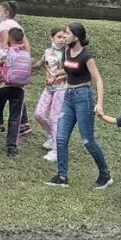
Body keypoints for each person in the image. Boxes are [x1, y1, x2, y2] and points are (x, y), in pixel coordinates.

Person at [45, 22, 111, 189]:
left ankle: (105, 175)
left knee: (88, 140)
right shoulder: (67, 52)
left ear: (76, 37)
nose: (64, 36)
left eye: (67, 33)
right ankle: (62, 176)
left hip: (83, 97)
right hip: (68, 97)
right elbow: (69, 70)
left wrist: (100, 103)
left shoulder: (86, 57)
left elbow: (98, 79)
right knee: (60, 138)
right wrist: (56, 74)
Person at [0, 27, 31, 156]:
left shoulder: (4, 52)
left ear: (9, 38)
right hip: (19, 88)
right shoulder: (26, 54)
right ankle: (11, 147)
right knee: (15, 116)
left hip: (3, 85)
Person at [0, 0, 32, 138]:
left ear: (6, 13)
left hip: (5, 66)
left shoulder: (5, 25)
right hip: (18, 66)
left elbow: (6, 47)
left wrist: (0, 64)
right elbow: (26, 46)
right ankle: (22, 124)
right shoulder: (17, 26)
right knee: (16, 95)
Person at [34, 27, 67, 163]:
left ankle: (55, 150)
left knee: (54, 118)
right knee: (39, 114)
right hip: (48, 88)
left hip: (61, 88)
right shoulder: (48, 52)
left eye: (64, 37)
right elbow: (41, 64)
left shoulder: (67, 54)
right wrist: (27, 68)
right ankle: (51, 136)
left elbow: (69, 70)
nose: (62, 40)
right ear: (51, 37)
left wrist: (55, 77)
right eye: (59, 37)